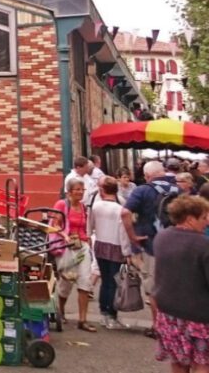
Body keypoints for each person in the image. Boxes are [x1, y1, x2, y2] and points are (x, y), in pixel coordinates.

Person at [151, 196, 209, 373]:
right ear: (190, 219)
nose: (207, 222)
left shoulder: (162, 237)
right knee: (202, 363)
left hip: (168, 313)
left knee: (178, 362)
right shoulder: (203, 245)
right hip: (199, 316)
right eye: (204, 217)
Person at [122, 159, 178, 338]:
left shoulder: (143, 190)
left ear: (147, 176)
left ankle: (158, 327)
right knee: (174, 285)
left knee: (153, 287)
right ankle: (174, 325)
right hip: (176, 246)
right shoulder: (178, 190)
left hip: (151, 244)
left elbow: (125, 212)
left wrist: (132, 236)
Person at [87, 177, 130, 329]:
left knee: (105, 281)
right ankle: (111, 315)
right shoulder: (120, 206)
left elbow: (90, 224)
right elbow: (123, 231)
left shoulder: (97, 206)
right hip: (116, 246)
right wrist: (127, 251)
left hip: (100, 244)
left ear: (103, 190)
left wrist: (91, 238)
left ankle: (104, 313)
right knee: (114, 282)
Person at [54, 179, 95, 332]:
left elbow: (85, 227)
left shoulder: (84, 207)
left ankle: (83, 319)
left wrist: (88, 240)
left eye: (81, 189)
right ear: (69, 191)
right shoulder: (62, 205)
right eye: (77, 189)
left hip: (82, 246)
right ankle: (61, 310)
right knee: (66, 283)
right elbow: (54, 224)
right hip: (67, 247)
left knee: (85, 280)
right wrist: (64, 235)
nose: (80, 192)